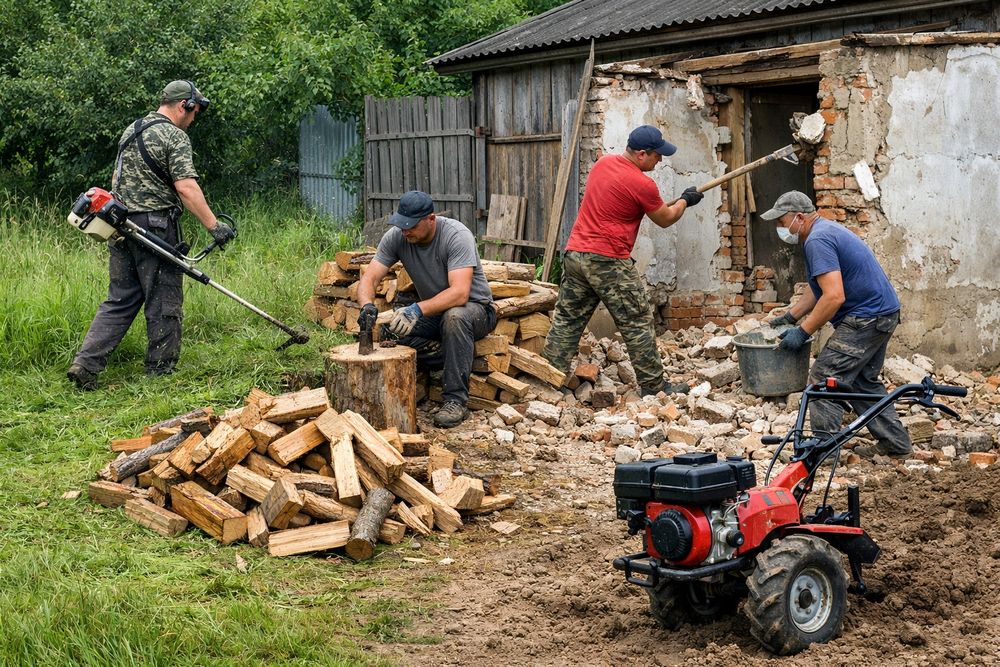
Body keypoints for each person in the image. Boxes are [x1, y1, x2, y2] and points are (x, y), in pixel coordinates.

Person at [67, 80, 234, 390]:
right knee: (164, 298)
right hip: (155, 227)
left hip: (120, 225)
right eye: (194, 111)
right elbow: (186, 187)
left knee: (119, 300)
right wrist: (215, 226)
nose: (194, 118)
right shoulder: (174, 135)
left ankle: (86, 364)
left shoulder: (132, 130)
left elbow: (119, 179)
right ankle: (160, 373)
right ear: (184, 105)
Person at [542, 124, 704, 396]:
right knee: (637, 321)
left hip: (576, 254)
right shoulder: (642, 183)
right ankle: (654, 387)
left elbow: (629, 203)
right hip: (607, 261)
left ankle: (547, 376)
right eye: (656, 155)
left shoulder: (603, 164)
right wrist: (686, 201)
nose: (660, 159)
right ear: (641, 154)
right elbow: (665, 219)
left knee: (567, 321)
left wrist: (671, 203)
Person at [762, 190, 912, 459]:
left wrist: (803, 331)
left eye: (781, 222)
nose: (780, 229)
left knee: (824, 380)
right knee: (862, 383)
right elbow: (818, 286)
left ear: (798, 217)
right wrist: (791, 316)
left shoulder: (817, 239)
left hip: (866, 318)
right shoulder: (822, 232)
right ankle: (896, 445)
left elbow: (833, 296)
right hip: (882, 313)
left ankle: (824, 453)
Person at [358, 191, 495, 428]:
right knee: (390, 330)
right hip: (436, 312)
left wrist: (417, 309)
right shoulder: (397, 237)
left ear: (431, 219)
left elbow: (460, 293)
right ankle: (446, 356)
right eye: (401, 224)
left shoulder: (456, 235)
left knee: (454, 317)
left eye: (410, 226)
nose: (405, 230)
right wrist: (367, 305)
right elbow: (369, 278)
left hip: (476, 311)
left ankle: (455, 400)